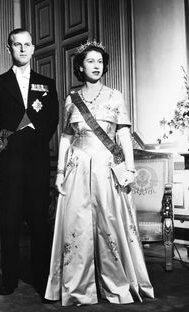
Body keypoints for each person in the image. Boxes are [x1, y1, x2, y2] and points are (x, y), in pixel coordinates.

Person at [44, 41, 154, 306]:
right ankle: (78, 287)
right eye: (90, 61)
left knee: (109, 223)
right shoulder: (72, 98)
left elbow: (124, 134)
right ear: (80, 67)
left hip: (107, 166)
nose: (96, 66)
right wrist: (60, 172)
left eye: (100, 61)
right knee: (77, 225)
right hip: (78, 166)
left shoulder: (115, 96)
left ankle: (116, 283)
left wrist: (129, 167)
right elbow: (66, 138)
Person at [0, 28, 59, 297]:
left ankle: (41, 279)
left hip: (37, 162)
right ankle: (9, 280)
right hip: (8, 163)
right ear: (9, 48)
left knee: (39, 222)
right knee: (9, 222)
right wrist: (6, 146)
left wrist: (34, 143)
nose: (23, 49)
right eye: (17, 44)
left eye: (27, 45)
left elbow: (51, 120)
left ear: (34, 48)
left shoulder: (47, 84)